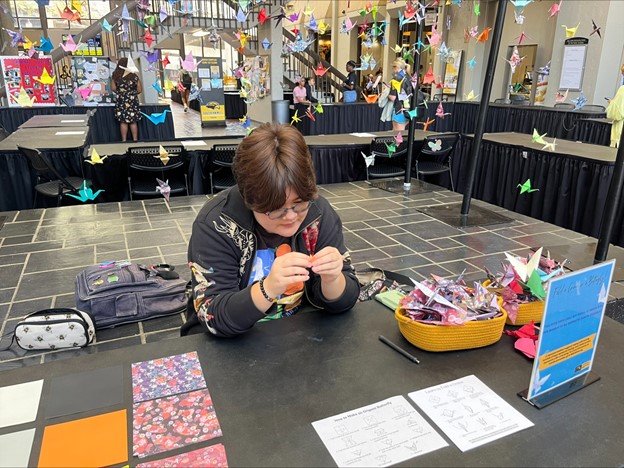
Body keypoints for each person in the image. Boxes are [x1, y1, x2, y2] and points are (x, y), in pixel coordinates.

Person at [181, 122, 360, 337]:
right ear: (250, 199)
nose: (291, 217)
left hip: (297, 334)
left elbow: (346, 299)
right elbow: (214, 317)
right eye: (276, 210)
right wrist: (269, 288)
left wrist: (332, 278)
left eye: (299, 203)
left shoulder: (317, 214)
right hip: (230, 344)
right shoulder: (217, 225)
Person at [111, 57, 142, 142]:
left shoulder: (115, 75)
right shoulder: (134, 75)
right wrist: (132, 94)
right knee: (133, 121)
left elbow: (113, 87)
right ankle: (135, 139)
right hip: (133, 101)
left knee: (123, 121)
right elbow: (139, 89)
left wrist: (121, 93)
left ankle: (124, 140)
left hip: (121, 101)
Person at [388, 58, 413, 131]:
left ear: (396, 67)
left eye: (393, 67)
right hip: (409, 109)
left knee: (398, 134)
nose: (392, 70)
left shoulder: (396, 79)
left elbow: (392, 97)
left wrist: (386, 93)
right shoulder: (410, 77)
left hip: (399, 109)